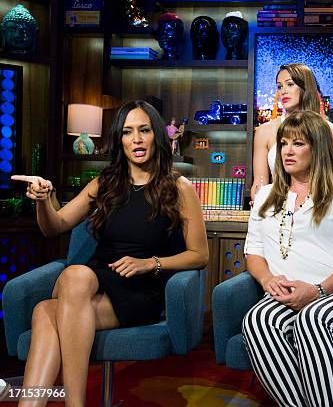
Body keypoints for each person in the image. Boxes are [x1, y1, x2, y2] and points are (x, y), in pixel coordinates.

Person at [11, 100, 209, 407]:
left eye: (144, 130)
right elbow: (56, 225)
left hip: (141, 289)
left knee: (47, 310)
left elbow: (199, 255)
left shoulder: (179, 187)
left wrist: (150, 263)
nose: (137, 139)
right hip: (95, 280)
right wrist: (43, 200)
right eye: (128, 132)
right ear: (119, 139)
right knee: (71, 281)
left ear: (156, 135)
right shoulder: (105, 183)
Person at [242, 110, 333, 407]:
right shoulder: (264, 197)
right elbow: (254, 252)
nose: (287, 151)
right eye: (284, 143)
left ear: (318, 147)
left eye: (298, 143)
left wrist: (317, 291)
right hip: (287, 294)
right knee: (257, 319)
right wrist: (267, 280)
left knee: (311, 319)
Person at [251, 63, 333, 202]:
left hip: (319, 209)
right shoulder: (264, 131)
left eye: (290, 84)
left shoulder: (331, 132)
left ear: (305, 86)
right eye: (279, 86)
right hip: (278, 209)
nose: (283, 91)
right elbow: (259, 184)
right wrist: (260, 206)